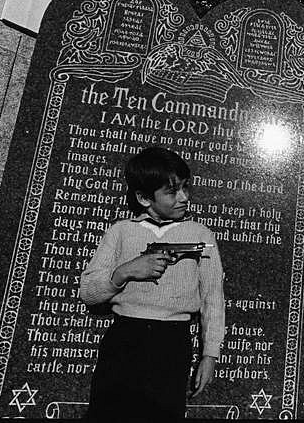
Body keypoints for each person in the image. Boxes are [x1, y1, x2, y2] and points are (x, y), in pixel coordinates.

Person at [80, 147, 225, 421]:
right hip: (123, 339)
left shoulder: (200, 234)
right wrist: (124, 272)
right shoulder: (120, 231)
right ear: (144, 198)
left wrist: (210, 354)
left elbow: (212, 299)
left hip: (172, 343)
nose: (184, 198)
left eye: (184, 188)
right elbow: (88, 292)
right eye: (172, 192)